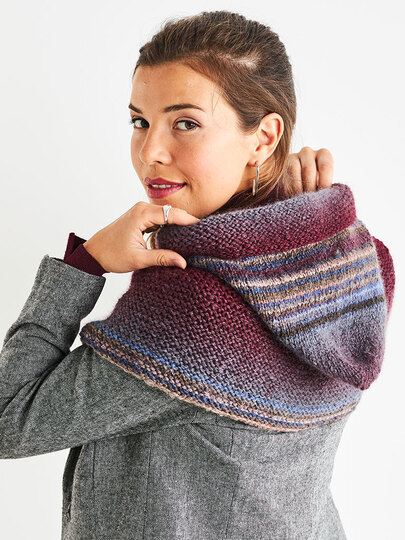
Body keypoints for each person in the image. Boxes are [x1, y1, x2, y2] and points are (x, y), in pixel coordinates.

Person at [0, 10, 395, 540]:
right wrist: (289, 209)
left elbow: (9, 417)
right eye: (140, 121)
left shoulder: (194, 311)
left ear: (264, 137)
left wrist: (86, 262)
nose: (150, 152)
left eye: (185, 123)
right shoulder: (345, 266)